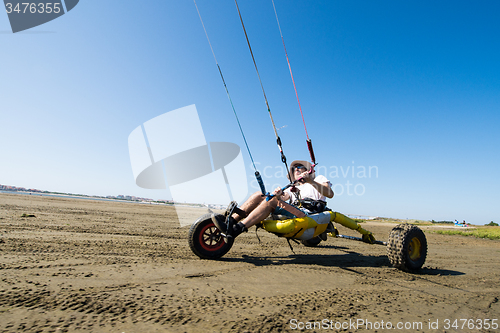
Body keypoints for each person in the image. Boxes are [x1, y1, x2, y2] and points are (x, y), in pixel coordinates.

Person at [211, 160, 334, 239]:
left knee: (272, 201)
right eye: (294, 168)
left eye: (299, 167)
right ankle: (230, 222)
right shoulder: (293, 187)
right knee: (260, 195)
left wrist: (311, 181)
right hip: (296, 213)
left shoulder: (318, 179)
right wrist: (278, 194)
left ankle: (236, 230)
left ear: (307, 171)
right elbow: (284, 198)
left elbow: (330, 194)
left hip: (309, 216)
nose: (296, 169)